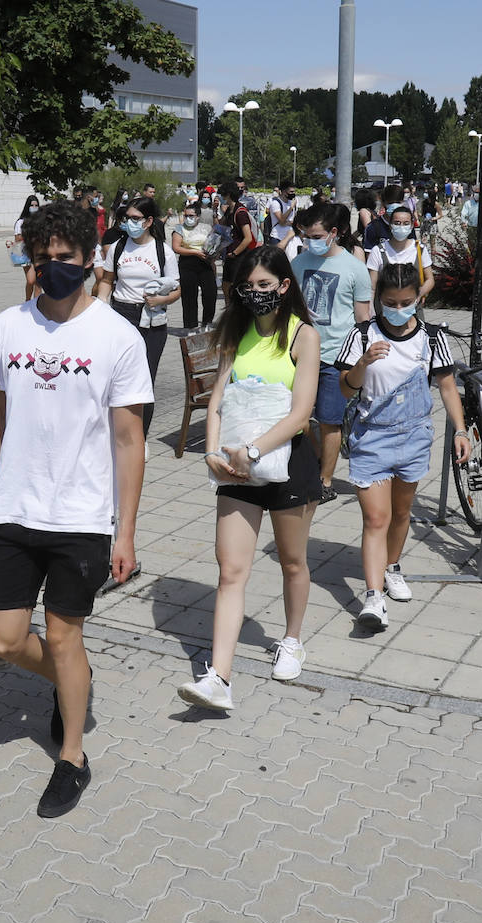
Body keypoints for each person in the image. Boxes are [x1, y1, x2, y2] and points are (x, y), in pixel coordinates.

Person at [0, 198, 151, 818]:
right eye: (42, 258)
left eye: (65, 258)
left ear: (91, 258)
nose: (52, 268)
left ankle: (71, 756)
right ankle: (74, 684)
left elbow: (130, 441)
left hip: (81, 518)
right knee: (3, 640)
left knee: (66, 637)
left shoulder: (117, 337)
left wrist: (124, 532)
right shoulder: (7, 328)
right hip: (18, 511)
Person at [176, 246, 322, 711]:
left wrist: (255, 451)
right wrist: (214, 453)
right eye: (248, 287)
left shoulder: (304, 336)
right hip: (235, 467)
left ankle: (293, 639)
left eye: (265, 285)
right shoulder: (235, 332)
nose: (256, 294)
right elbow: (218, 397)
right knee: (231, 571)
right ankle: (219, 677)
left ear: (283, 285)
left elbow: (302, 414)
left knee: (292, 560)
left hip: (286, 466)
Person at [336, 262, 470, 630]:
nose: (398, 309)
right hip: (371, 438)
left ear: (418, 299)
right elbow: (346, 388)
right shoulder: (362, 335)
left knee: (400, 514)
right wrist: (362, 363)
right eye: (391, 302)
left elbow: (446, 387)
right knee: (375, 519)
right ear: (379, 300)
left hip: (414, 437)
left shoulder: (431, 338)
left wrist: (460, 430)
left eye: (406, 302)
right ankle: (373, 597)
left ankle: (392, 567)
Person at [289, 201, 373, 501]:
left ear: (333, 233)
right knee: (296, 417)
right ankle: (314, 464)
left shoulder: (354, 268)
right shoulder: (298, 264)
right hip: (298, 354)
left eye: (315, 235)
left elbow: (363, 319)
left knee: (329, 420)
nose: (309, 241)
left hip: (336, 358)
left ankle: (325, 481)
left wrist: (361, 363)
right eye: (305, 235)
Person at [95, 195, 180, 438]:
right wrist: (101, 307)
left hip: (151, 319)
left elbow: (177, 290)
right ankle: (113, 432)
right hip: (121, 314)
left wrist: (161, 300)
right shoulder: (119, 247)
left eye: (135, 218)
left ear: (148, 221)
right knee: (114, 377)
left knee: (144, 380)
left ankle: (139, 438)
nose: (130, 223)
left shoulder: (163, 252)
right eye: (127, 218)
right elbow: (107, 281)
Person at [365, 205, 434, 302]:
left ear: (411, 226)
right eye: (397, 223)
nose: (401, 227)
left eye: (406, 223)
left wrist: (419, 293)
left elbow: (430, 279)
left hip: (413, 310)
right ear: (390, 225)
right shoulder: (378, 251)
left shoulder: (420, 249)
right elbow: (372, 286)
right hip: (384, 310)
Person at [172, 198, 217, 332]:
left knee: (210, 293)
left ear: (198, 216)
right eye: (186, 215)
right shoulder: (179, 228)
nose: (188, 218)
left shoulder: (206, 228)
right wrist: (194, 252)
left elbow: (212, 243)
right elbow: (176, 247)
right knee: (189, 296)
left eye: (191, 216)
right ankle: (190, 326)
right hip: (188, 263)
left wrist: (213, 254)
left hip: (205, 263)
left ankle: (207, 323)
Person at [214, 182, 259, 303]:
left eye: (223, 194)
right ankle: (229, 315)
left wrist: (235, 253)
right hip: (230, 256)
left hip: (239, 257)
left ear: (228, 194)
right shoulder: (230, 210)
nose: (221, 197)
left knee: (237, 290)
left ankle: (238, 317)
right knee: (226, 287)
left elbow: (248, 238)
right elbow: (219, 226)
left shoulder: (240, 213)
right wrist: (215, 210)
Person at [10, 195, 41, 301]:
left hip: (39, 253)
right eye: (32, 205)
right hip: (25, 253)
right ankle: (27, 300)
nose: (34, 207)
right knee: (31, 280)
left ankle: (37, 304)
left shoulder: (40, 220)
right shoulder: (21, 222)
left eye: (36, 205)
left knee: (39, 281)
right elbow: (17, 238)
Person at [265, 182, 298, 248]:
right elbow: (282, 221)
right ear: (283, 191)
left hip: (290, 237)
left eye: (294, 192)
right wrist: (291, 208)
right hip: (277, 237)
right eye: (291, 192)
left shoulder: (291, 202)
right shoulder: (275, 203)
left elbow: (294, 220)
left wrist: (290, 223)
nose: (293, 194)